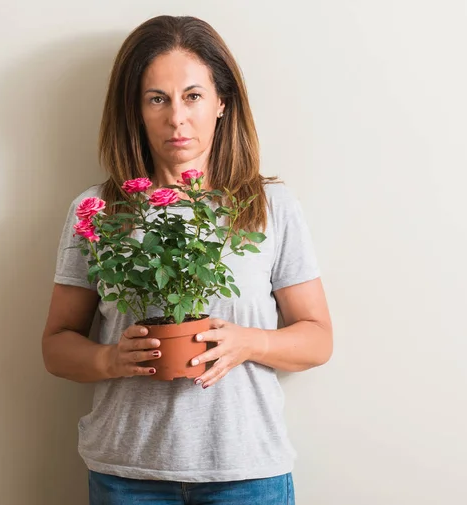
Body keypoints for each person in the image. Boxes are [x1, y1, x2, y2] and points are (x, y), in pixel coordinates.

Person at [42, 15, 332, 505]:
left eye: (193, 96)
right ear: (135, 110)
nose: (177, 117)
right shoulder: (99, 212)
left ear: (222, 103)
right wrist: (109, 358)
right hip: (126, 474)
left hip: (246, 473)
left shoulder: (268, 206)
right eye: (158, 99)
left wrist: (247, 342)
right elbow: (55, 345)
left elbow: (318, 338)